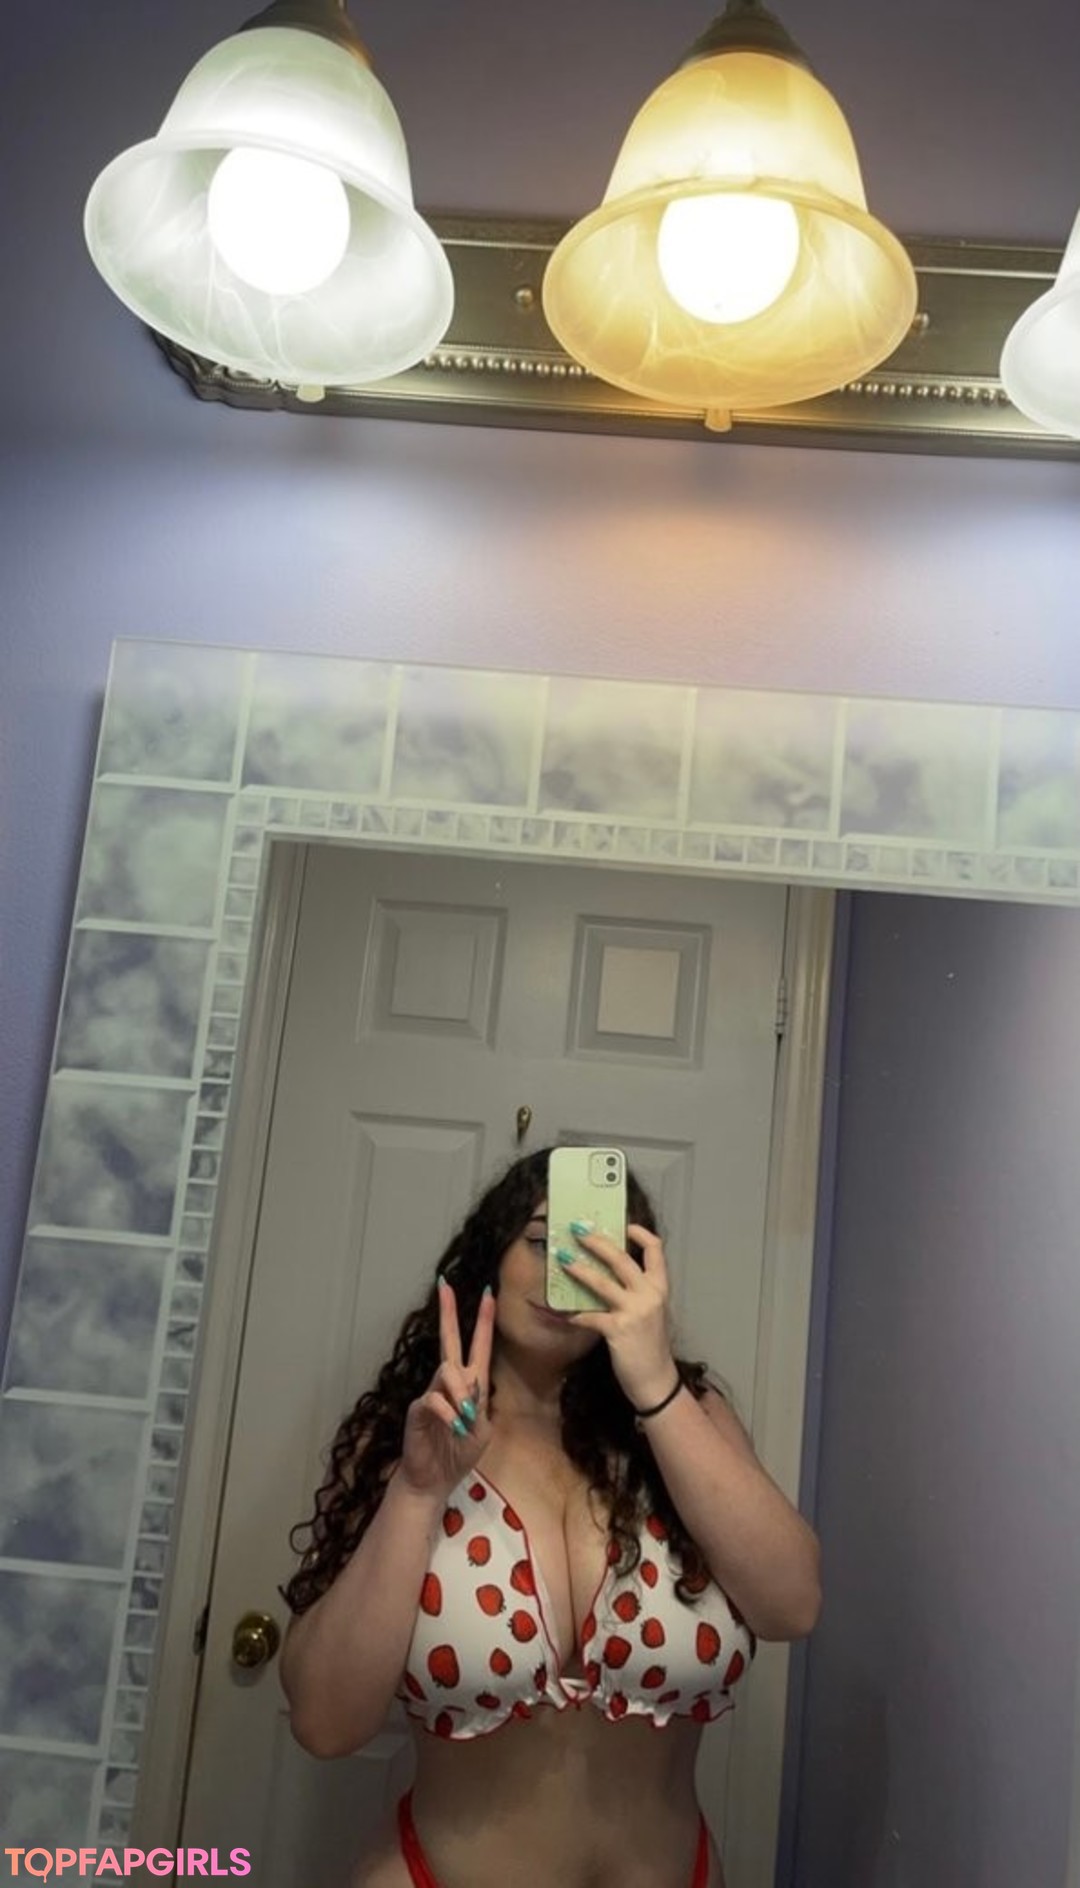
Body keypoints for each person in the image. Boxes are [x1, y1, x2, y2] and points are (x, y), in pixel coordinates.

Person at [278, 1148, 822, 1888]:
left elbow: (793, 1606)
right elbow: (324, 1724)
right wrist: (417, 1492)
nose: (565, 1271)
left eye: (599, 1250)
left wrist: (655, 1385)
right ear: (492, 1254)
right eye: (541, 1240)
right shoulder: (414, 1434)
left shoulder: (687, 1418)